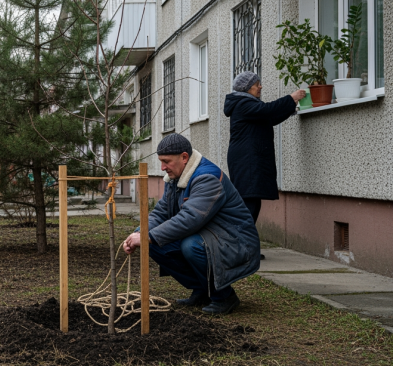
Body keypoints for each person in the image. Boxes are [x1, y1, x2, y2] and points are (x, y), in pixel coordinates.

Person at [122, 134, 260, 315]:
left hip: (235, 241)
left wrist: (148, 236)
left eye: (166, 161)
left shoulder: (207, 178)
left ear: (184, 157)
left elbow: (190, 218)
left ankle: (224, 296)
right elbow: (162, 212)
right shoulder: (176, 178)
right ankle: (203, 290)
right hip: (210, 236)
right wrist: (139, 233)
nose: (163, 168)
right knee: (153, 245)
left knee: (190, 246)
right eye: (161, 162)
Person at [223, 72, 305, 260]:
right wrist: (291, 98)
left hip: (248, 159)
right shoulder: (244, 104)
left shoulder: (247, 105)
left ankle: (243, 248)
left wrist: (291, 106)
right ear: (246, 88)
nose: (260, 87)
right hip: (247, 160)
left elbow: (269, 117)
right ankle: (240, 249)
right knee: (249, 204)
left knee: (251, 202)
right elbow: (268, 111)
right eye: (257, 84)